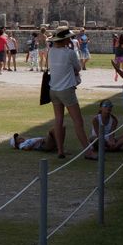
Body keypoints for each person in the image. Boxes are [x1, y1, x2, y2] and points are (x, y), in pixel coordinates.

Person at [46, 27, 91, 158]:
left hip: (53, 89)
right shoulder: (69, 53)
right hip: (66, 89)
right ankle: (88, 151)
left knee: (58, 120)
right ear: (65, 39)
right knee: (78, 121)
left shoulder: (52, 51)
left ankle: (60, 150)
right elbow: (78, 68)